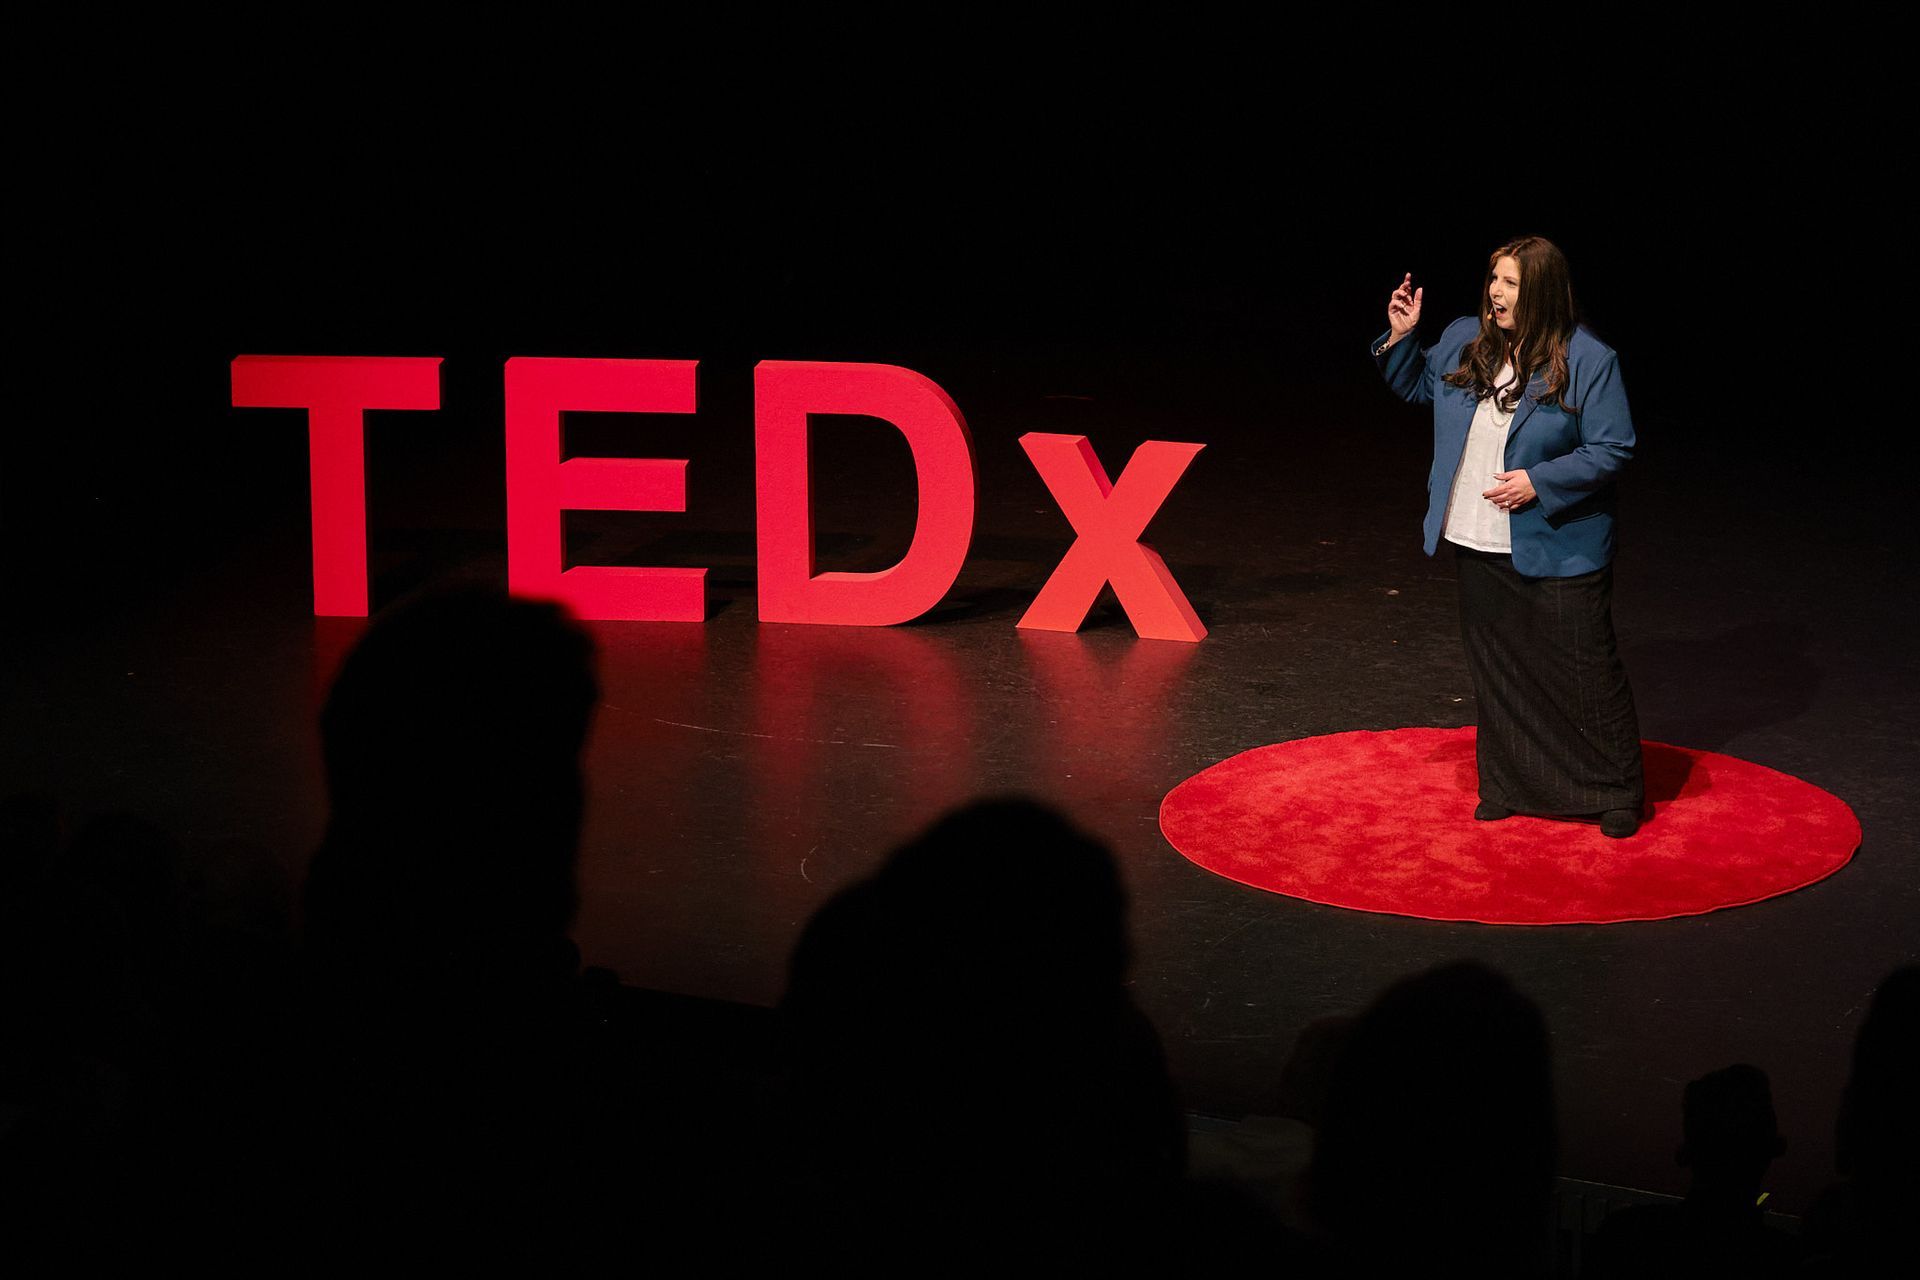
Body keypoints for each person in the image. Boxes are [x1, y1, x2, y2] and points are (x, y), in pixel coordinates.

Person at [1371, 236, 1645, 837]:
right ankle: (1508, 784)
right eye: (1494, 279)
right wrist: (1401, 338)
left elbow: (1613, 447)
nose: (1497, 292)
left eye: (1512, 283)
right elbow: (1421, 387)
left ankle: (1613, 790)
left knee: (1583, 669)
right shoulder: (1465, 338)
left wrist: (1539, 482)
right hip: (1477, 534)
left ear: (1542, 292)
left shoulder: (1589, 358)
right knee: (1497, 669)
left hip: (1559, 540)